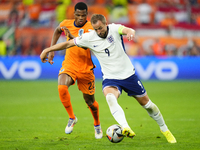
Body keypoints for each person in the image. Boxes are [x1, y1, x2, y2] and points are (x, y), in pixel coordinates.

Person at [40, 14, 177, 143]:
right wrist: (48, 50)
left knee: (148, 105)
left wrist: (130, 33)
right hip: (110, 78)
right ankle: (125, 127)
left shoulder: (114, 29)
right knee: (110, 98)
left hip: (128, 75)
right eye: (96, 29)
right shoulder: (89, 37)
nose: (99, 31)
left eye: (100, 28)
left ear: (106, 24)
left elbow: (128, 30)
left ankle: (164, 129)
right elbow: (68, 44)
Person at [46, 2, 103, 139]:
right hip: (70, 65)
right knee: (61, 87)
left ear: (86, 15)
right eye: (78, 15)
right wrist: (52, 50)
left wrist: (75, 39)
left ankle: (97, 125)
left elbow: (93, 45)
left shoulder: (91, 27)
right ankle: (72, 117)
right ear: (74, 14)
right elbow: (57, 30)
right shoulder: (66, 23)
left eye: (83, 15)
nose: (81, 18)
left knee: (90, 102)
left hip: (86, 68)